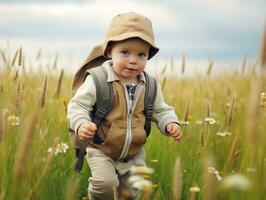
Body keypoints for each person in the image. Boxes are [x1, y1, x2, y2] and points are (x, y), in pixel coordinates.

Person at [67, 12, 183, 200]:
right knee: (104, 184)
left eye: (141, 54)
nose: (133, 60)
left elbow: (162, 109)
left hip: (134, 153)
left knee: (132, 192)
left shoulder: (150, 85)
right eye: (125, 52)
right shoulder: (99, 80)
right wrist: (81, 123)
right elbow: (78, 105)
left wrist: (170, 123)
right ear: (109, 51)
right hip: (101, 149)